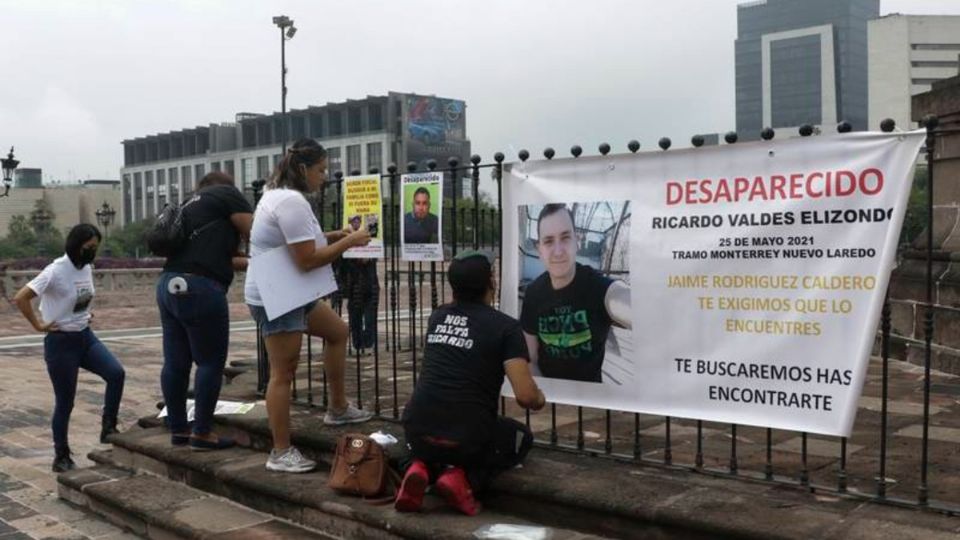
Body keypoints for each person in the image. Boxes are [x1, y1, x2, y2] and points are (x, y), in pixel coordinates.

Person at [246, 138, 374, 474]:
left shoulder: (276, 195)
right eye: (320, 170)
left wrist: (336, 234)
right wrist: (351, 240)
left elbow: (301, 242)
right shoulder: (291, 202)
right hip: (278, 296)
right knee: (283, 374)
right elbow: (308, 260)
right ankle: (281, 451)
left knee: (338, 331)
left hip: (285, 289)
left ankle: (338, 407)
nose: (324, 176)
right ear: (303, 169)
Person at [396, 250, 545, 516]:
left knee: (427, 440)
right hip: (466, 438)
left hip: (418, 428)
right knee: (521, 438)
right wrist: (540, 398)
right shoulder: (506, 327)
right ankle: (465, 480)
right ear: (492, 282)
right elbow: (525, 395)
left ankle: (418, 467)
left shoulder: (438, 317)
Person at [13, 224, 126, 472]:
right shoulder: (55, 271)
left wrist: (85, 312)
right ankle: (61, 455)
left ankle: (108, 428)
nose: (92, 253)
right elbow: (21, 297)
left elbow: (78, 297)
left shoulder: (86, 268)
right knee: (66, 401)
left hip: (85, 337)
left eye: (95, 248)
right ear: (75, 245)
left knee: (116, 374)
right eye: (88, 248)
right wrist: (38, 325)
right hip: (61, 343)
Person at [156, 171, 253, 451]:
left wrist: (247, 262)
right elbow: (257, 233)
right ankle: (202, 432)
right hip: (201, 287)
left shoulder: (188, 205)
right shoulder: (226, 193)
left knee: (175, 362)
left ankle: (179, 430)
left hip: (167, 284)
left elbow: (219, 256)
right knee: (209, 362)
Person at [520, 203, 631, 383]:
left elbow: (619, 298)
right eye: (548, 241)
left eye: (565, 238)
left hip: (592, 400)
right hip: (550, 398)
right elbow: (530, 359)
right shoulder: (533, 294)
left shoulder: (597, 286)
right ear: (539, 249)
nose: (558, 251)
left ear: (577, 241)